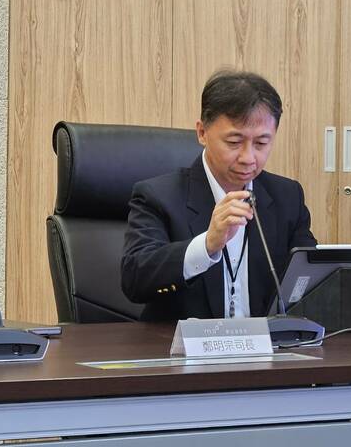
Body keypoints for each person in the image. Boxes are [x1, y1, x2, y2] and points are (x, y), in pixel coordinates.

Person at [121, 70, 316, 321]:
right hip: (183, 344)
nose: (248, 158)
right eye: (234, 142)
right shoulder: (158, 196)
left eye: (261, 143)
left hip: (267, 343)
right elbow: (135, 279)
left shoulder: (287, 197)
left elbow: (310, 274)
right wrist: (207, 245)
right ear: (202, 133)